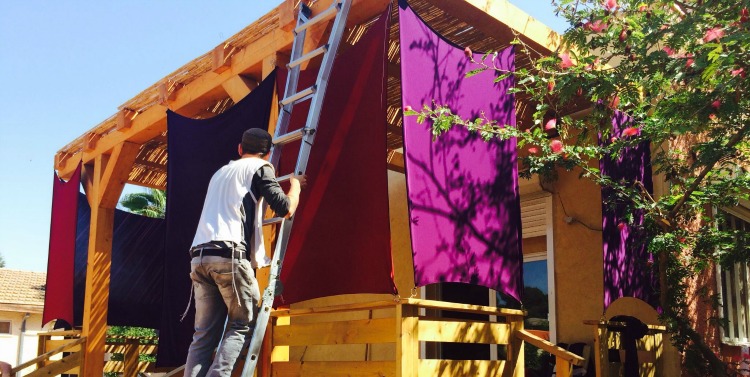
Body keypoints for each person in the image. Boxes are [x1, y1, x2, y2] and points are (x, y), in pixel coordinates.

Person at [183, 128, 304, 377]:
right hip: (229, 256)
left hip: (200, 257)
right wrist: (295, 188)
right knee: (241, 324)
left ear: (240, 149)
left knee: (203, 335)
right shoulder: (260, 168)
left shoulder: (220, 173)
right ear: (268, 154)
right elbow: (285, 209)